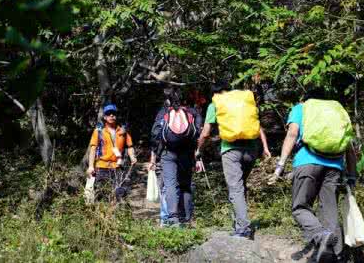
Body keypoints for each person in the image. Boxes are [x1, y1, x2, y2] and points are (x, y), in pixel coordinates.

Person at [274, 92, 357, 262]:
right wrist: (352, 174)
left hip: (307, 161)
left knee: (300, 208)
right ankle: (337, 256)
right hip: (334, 166)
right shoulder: (337, 113)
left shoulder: (302, 108)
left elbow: (292, 133)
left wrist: (280, 166)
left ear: (305, 98)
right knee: (330, 212)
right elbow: (349, 147)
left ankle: (321, 235)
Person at [196, 81, 271, 239]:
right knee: (241, 186)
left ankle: (243, 228)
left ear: (215, 93)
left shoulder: (215, 103)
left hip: (231, 150)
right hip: (251, 150)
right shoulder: (244, 102)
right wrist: (265, 147)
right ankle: (239, 224)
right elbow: (258, 126)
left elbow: (206, 132)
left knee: (235, 188)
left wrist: (198, 149)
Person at [149, 88, 202, 227]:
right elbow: (198, 135)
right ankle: (186, 218)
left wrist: (156, 153)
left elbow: (155, 134)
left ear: (168, 100)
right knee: (185, 185)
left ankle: (173, 218)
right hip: (187, 153)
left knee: (170, 185)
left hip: (168, 153)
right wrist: (197, 155)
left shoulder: (164, 112)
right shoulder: (192, 112)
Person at [87, 103, 137, 202]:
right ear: (105, 117)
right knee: (101, 195)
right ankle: (101, 216)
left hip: (117, 167)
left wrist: (132, 157)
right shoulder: (99, 131)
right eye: (109, 114)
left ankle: (117, 215)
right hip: (101, 167)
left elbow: (130, 146)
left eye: (113, 114)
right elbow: (93, 149)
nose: (111, 116)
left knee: (120, 194)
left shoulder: (123, 131)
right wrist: (91, 166)